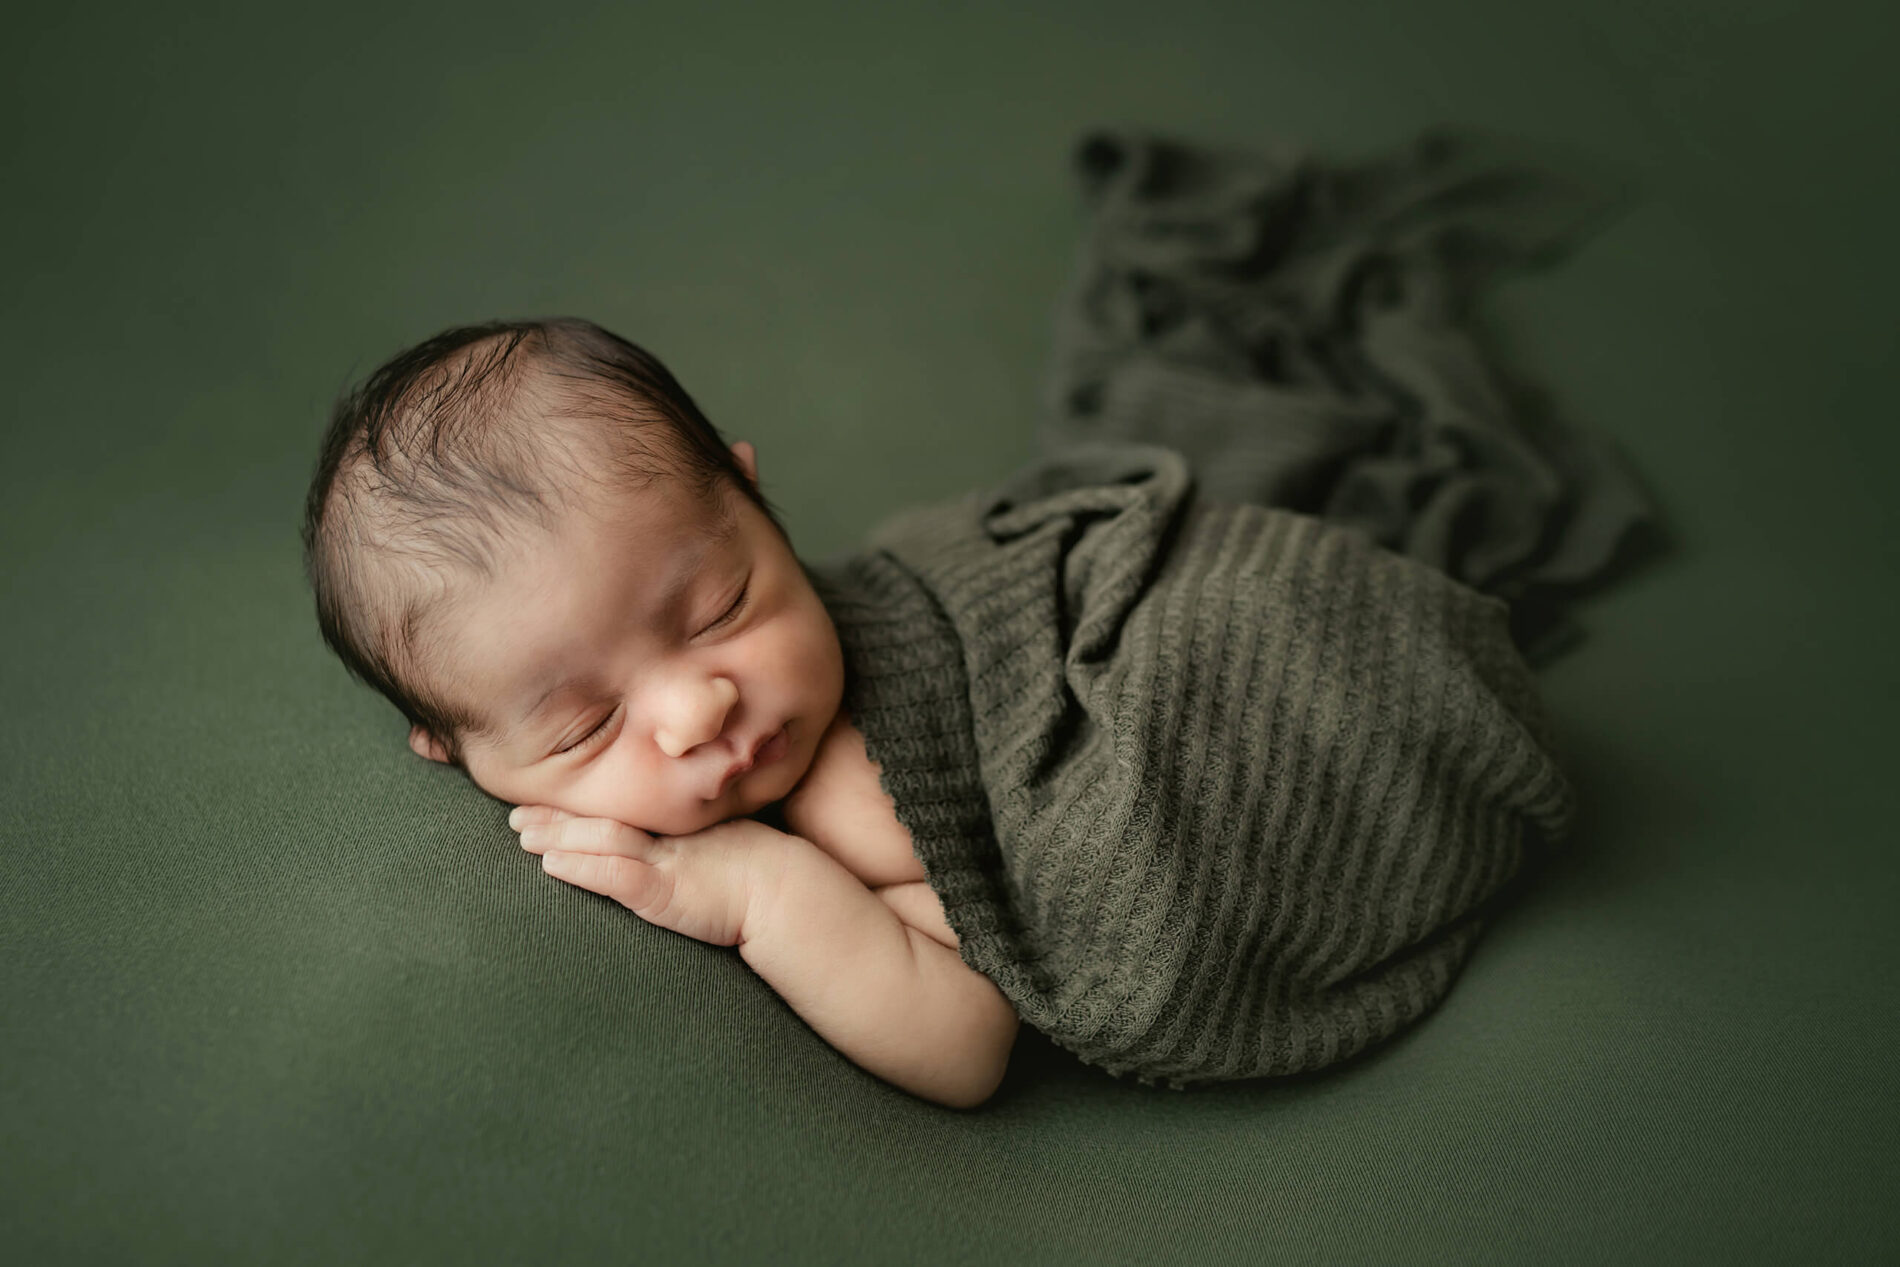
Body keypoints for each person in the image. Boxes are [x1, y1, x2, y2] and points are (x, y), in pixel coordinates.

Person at [302, 315, 1019, 1110]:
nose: (699, 713)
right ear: (450, 748)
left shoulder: (867, 791)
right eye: (588, 724)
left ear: (751, 493)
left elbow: (966, 1043)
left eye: (721, 609)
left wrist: (764, 893)